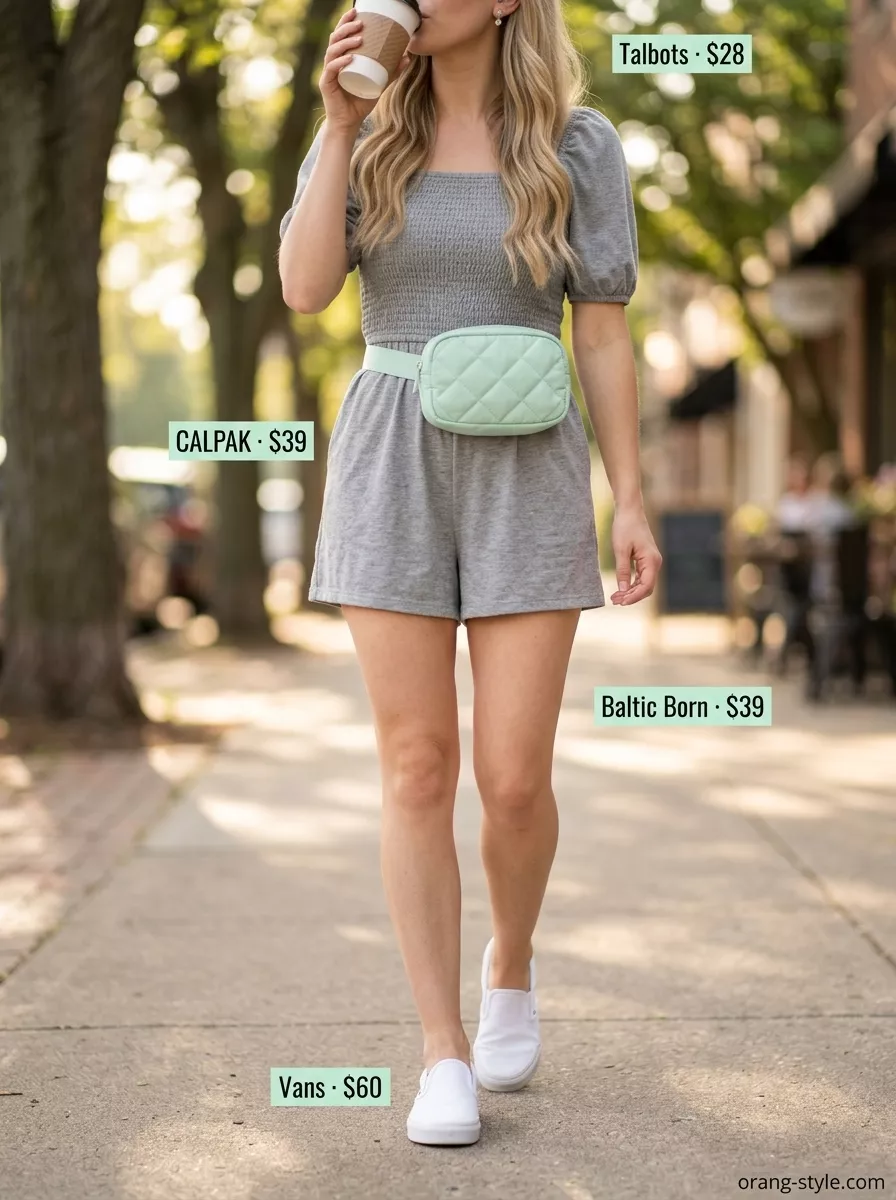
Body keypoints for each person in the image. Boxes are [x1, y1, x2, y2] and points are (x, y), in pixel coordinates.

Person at [278, 0, 661, 1147]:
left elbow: (597, 331)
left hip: (529, 458)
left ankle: (512, 960)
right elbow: (304, 291)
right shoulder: (362, 127)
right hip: (392, 445)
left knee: (509, 779)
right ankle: (440, 1049)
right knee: (413, 763)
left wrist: (629, 495)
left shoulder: (576, 144)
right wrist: (335, 126)